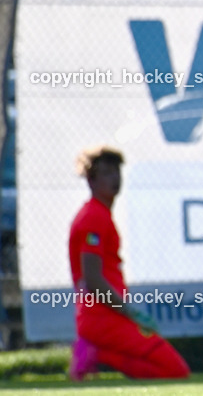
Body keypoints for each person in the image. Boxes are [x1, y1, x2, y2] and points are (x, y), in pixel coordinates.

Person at [67, 146, 190, 380]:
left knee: (168, 370)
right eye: (106, 173)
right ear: (91, 181)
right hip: (103, 318)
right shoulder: (94, 217)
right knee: (175, 370)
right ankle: (98, 352)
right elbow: (93, 279)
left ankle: (96, 352)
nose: (114, 179)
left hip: (103, 318)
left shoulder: (99, 214)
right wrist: (128, 312)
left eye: (116, 172)